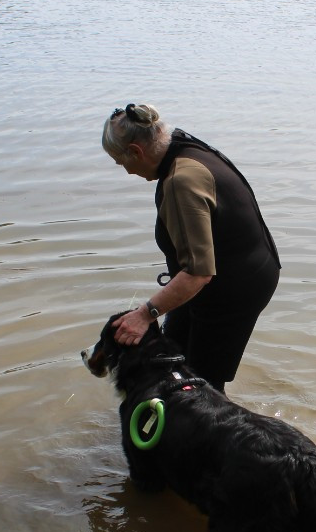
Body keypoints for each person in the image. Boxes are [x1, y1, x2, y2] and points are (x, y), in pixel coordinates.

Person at [102, 103, 280, 392]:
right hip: (227, 272)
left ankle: (217, 433)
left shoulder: (181, 181)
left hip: (234, 290)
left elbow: (198, 273)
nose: (126, 171)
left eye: (121, 162)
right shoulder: (179, 145)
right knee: (168, 361)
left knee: (202, 384)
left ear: (136, 151)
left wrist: (145, 314)